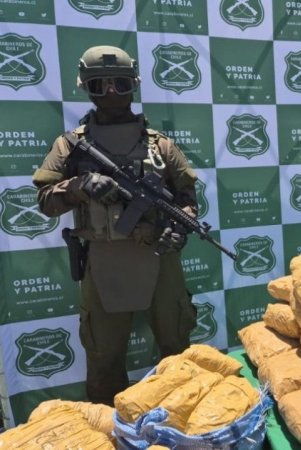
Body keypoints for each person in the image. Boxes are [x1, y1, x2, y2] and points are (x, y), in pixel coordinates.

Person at [32, 45, 199, 406]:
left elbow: (187, 199)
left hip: (159, 259)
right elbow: (45, 201)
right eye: (99, 84)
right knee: (104, 359)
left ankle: (185, 419)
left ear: (133, 85)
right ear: (86, 88)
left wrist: (180, 228)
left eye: (120, 83)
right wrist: (78, 186)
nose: (110, 92)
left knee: (177, 351)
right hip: (104, 263)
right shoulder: (70, 146)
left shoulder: (160, 146)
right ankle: (108, 426)